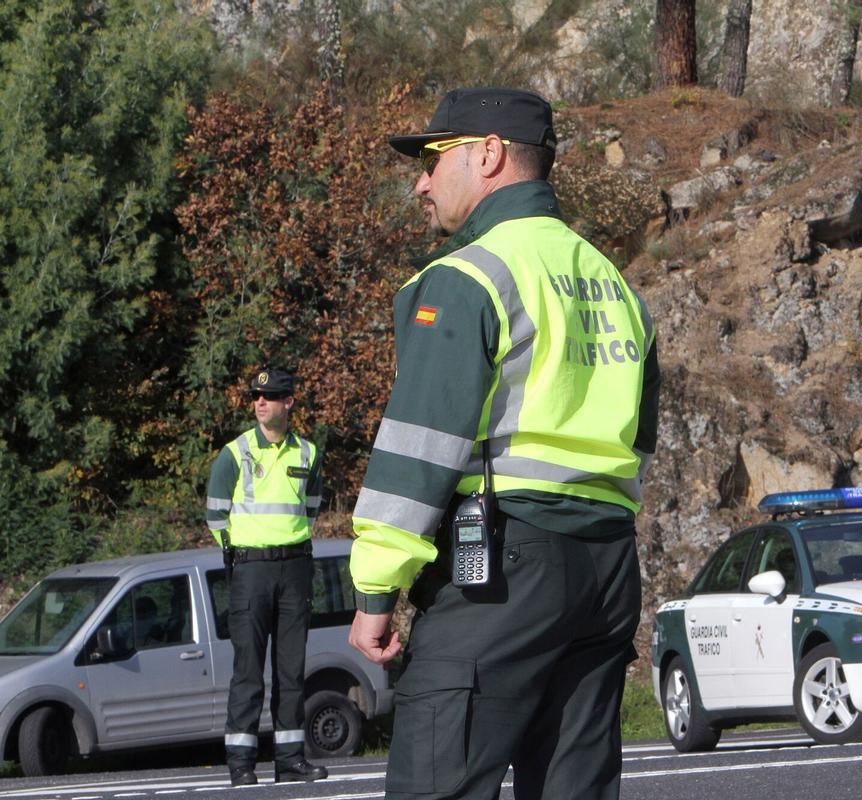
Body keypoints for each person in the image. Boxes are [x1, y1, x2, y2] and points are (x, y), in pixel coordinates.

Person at [347, 87, 661, 800]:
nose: (421, 183)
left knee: (438, 779)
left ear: (488, 154)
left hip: (503, 567)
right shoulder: (613, 283)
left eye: (432, 159)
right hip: (608, 567)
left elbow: (419, 447)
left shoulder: (464, 277)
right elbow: (640, 438)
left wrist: (376, 589)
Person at [205, 367, 328, 787]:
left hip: (295, 567)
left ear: (288, 402)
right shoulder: (235, 453)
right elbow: (215, 515)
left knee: (291, 670)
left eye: (270, 396)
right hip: (251, 569)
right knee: (248, 670)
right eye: (256, 397)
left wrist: (286, 544)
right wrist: (239, 552)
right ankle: (241, 763)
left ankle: (290, 759)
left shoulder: (307, 453)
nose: (260, 402)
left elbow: (311, 508)